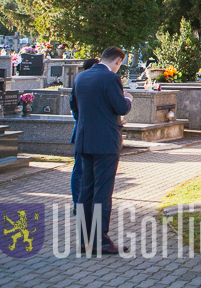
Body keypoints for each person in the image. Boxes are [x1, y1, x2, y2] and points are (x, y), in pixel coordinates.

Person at [70, 46, 132, 254]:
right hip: (106, 142)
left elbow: (75, 106)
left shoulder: (81, 78)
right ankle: (100, 241)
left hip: (85, 140)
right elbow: (121, 108)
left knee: (85, 190)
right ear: (117, 61)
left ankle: (84, 239)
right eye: (119, 65)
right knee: (102, 192)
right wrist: (128, 100)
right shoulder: (110, 79)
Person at [69, 57, 99, 214]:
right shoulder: (83, 83)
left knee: (84, 171)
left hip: (83, 132)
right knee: (80, 170)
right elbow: (74, 109)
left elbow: (73, 106)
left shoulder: (80, 82)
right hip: (84, 133)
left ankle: (84, 203)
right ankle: (78, 203)